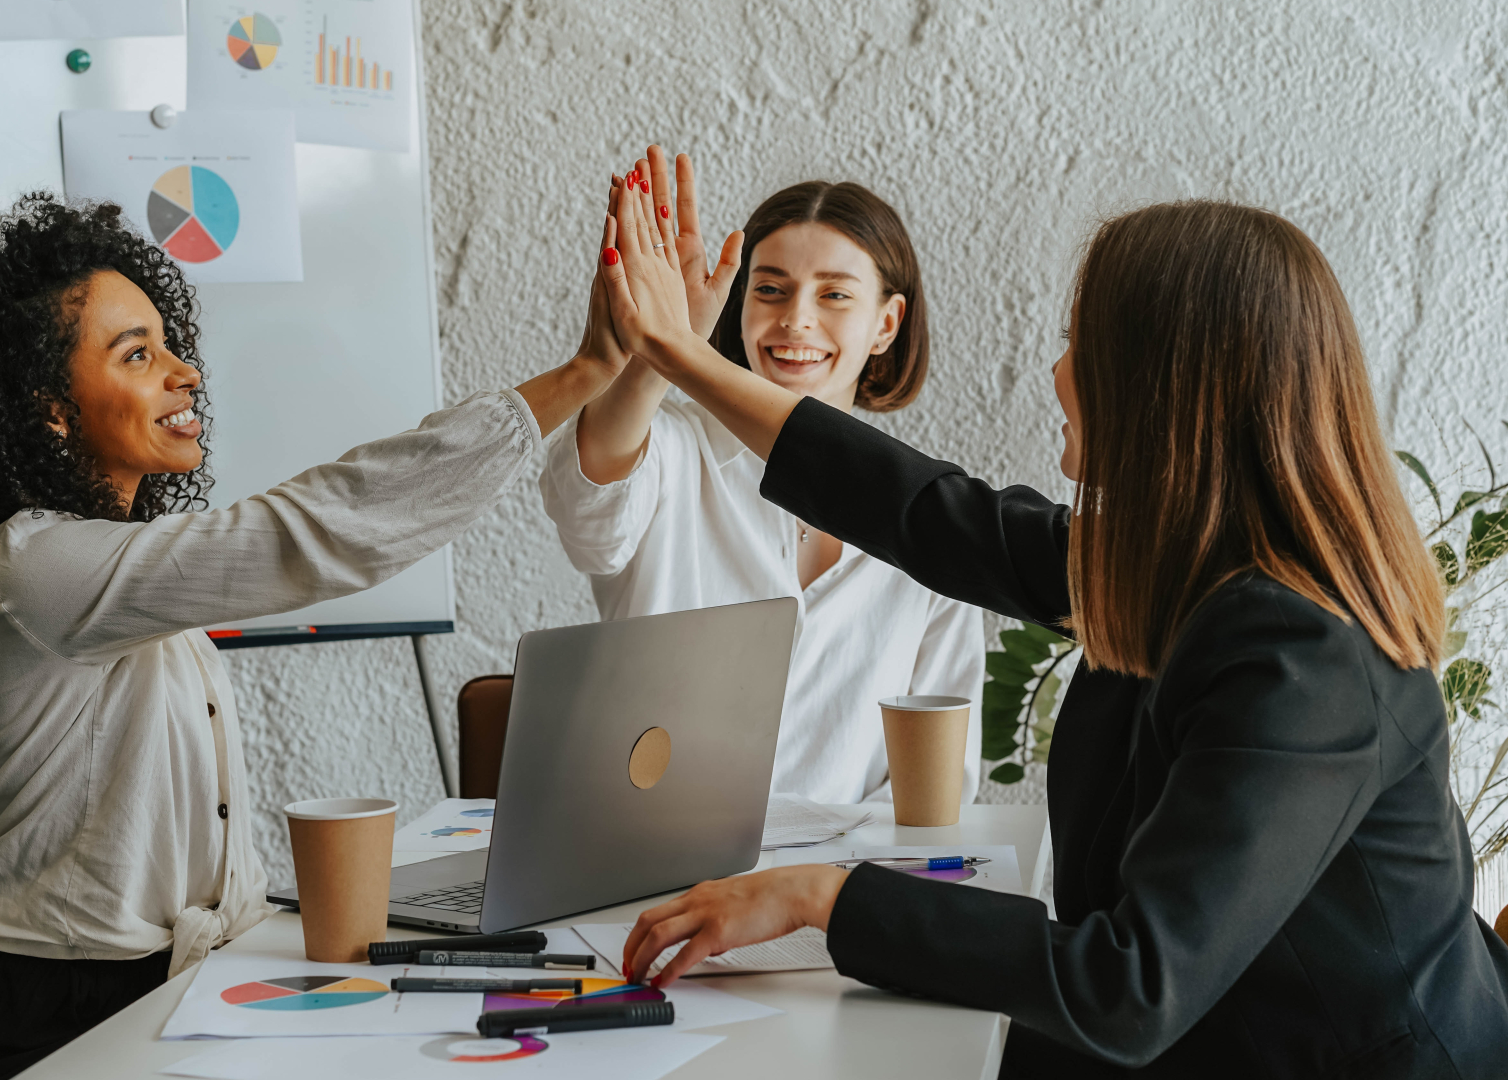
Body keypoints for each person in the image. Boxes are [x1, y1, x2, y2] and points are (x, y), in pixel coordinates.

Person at [593, 167, 1508, 1076]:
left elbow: (1129, 988)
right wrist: (683, 357)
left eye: (1082, 343)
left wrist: (822, 898)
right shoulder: (1176, 566)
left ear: (1162, 388)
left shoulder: (1303, 656)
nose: (1059, 369)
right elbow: (926, 511)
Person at [0, 194, 629, 1079]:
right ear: (50, 410)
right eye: (138, 355)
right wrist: (585, 371)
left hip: (150, 989)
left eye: (169, 343)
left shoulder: (120, 578)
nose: (185, 372)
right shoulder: (35, 566)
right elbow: (309, 530)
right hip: (32, 1020)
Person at [539, 149, 983, 805]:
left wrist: (831, 894)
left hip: (837, 890)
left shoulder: (931, 515)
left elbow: (938, 781)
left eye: (834, 294)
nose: (796, 319)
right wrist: (663, 347)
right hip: (654, 877)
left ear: (886, 324)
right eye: (770, 289)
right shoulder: (671, 450)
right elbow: (587, 507)